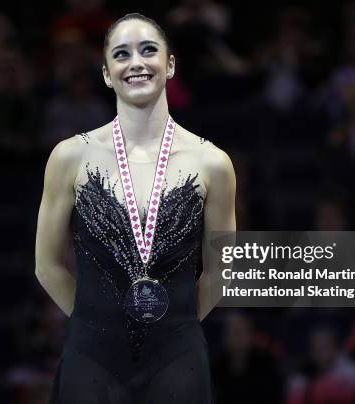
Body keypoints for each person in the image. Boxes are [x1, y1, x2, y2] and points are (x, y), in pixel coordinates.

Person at [35, 12, 236, 403]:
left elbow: (220, 270)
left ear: (170, 64)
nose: (137, 63)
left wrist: (177, 324)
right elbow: (47, 265)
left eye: (148, 50)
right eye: (122, 54)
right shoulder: (70, 157)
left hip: (177, 354)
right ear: (108, 73)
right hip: (92, 355)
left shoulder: (212, 163)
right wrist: (93, 320)